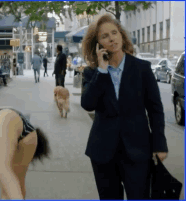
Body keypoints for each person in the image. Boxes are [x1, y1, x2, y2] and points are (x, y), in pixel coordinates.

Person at [81, 14, 168, 200]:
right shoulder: (92, 73)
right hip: (103, 152)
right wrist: (102, 70)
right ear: (97, 44)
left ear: (121, 35)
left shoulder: (142, 69)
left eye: (114, 33)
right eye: (104, 36)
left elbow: (155, 110)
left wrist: (160, 144)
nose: (111, 38)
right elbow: (88, 104)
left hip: (138, 151)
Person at [0, 107, 51, 199]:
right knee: (15, 182)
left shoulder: (5, 122)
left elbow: (0, 168)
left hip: (11, 121)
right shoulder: (9, 125)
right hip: (22, 129)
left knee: (5, 176)